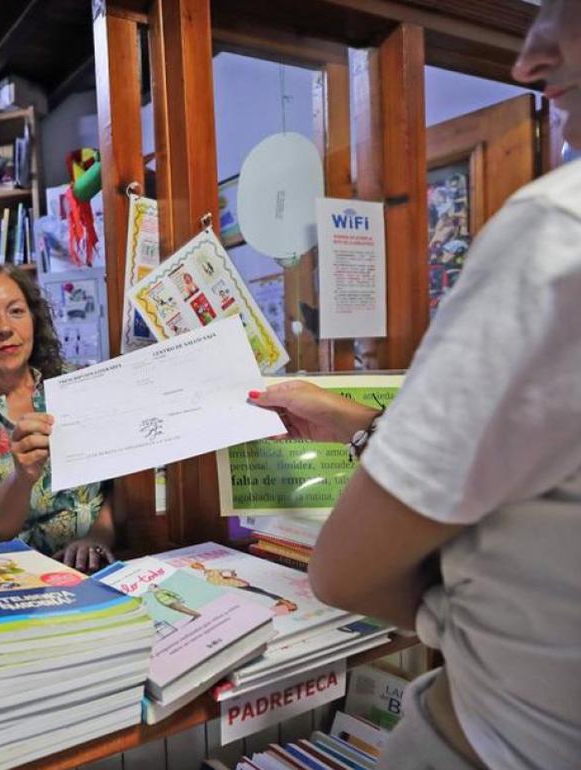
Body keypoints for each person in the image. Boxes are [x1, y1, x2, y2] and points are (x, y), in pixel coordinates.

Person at [249, 4, 581, 767]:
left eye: (564, 7)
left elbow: (345, 569)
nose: (526, 61)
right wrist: (357, 422)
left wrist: (439, 617)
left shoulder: (556, 236)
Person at [0, 262, 115, 572]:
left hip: (100, 563)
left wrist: (98, 535)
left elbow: (120, 483)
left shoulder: (76, 385)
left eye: (16, 311)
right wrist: (22, 477)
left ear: (33, 318)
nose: (5, 328)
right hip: (16, 577)